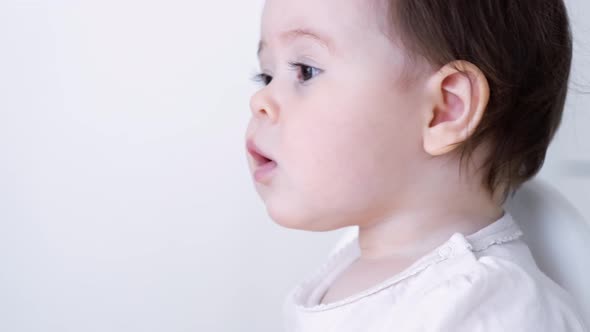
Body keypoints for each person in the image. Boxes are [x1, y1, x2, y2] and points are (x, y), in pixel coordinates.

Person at [245, 0, 589, 330]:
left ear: (444, 110)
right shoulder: (352, 261)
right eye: (266, 76)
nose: (260, 100)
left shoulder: (489, 308)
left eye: (306, 71)